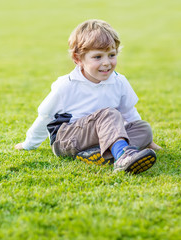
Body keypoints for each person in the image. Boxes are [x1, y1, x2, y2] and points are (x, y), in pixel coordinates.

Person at [15, 19, 161, 174]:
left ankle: (98, 153)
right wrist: (29, 143)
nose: (106, 63)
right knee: (110, 113)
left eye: (111, 55)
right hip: (67, 138)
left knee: (143, 128)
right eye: (97, 57)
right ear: (78, 59)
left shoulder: (119, 82)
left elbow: (129, 113)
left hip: (98, 136)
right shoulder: (66, 85)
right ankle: (123, 155)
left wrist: (148, 141)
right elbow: (46, 116)